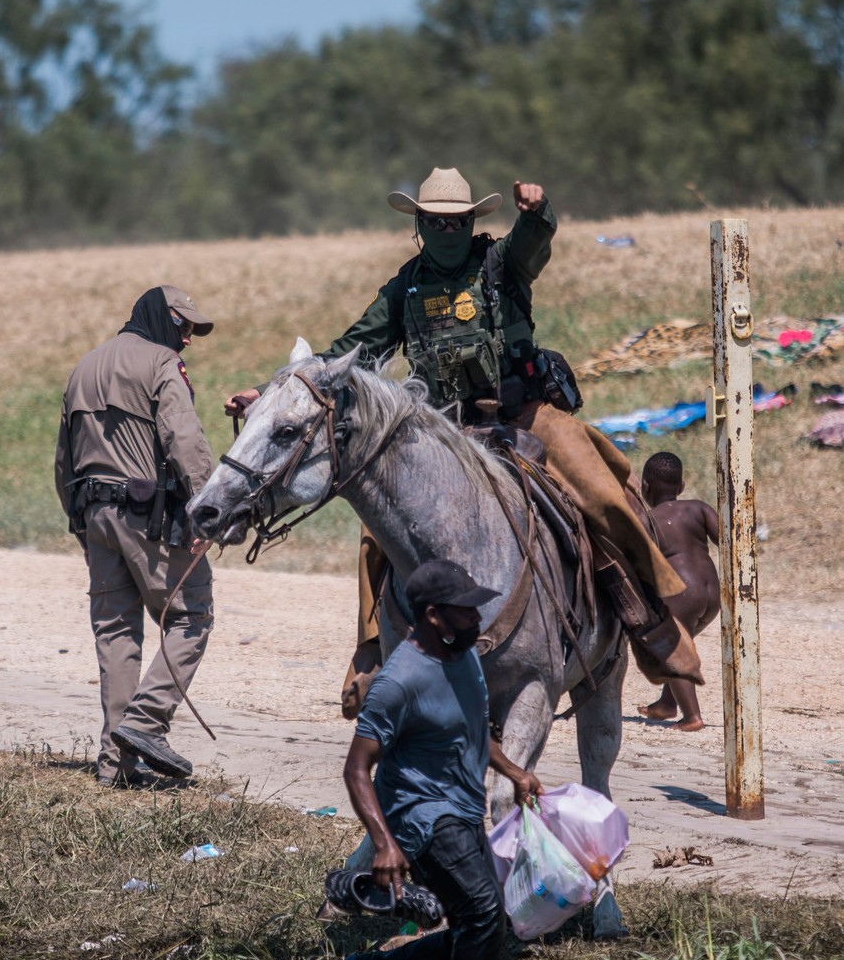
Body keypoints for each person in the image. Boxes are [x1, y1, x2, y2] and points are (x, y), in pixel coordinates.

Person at [224, 167, 701, 716]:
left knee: (600, 486)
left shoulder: (502, 261)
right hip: (440, 430)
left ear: (472, 221)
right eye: (435, 221)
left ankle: (647, 618)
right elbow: (351, 348)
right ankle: (373, 650)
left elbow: (534, 240)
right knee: (376, 525)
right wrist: (263, 394)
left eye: (457, 220)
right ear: (419, 225)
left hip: (524, 416)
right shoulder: (404, 287)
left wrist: (538, 210)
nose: (446, 229)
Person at [341, 559, 543, 960]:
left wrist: (513, 771)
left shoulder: (465, 656)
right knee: (480, 912)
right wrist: (384, 845)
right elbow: (357, 768)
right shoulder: (399, 681)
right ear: (433, 616)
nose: (479, 618)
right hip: (418, 817)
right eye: (466, 610)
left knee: (483, 928)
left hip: (462, 806)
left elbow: (472, 729)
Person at [55, 285, 216, 787]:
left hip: (94, 515)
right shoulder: (161, 363)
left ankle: (115, 768)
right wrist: (209, 509)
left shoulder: (84, 366)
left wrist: (80, 524)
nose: (188, 338)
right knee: (192, 615)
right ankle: (146, 724)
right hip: (147, 516)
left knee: (116, 634)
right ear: (162, 318)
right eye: (184, 326)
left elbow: (64, 461)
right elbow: (183, 438)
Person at [637, 452, 720, 731]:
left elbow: (643, 564)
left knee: (671, 650)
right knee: (682, 641)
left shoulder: (648, 521)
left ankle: (692, 717)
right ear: (681, 486)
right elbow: (728, 539)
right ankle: (666, 705)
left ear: (644, 487)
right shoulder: (698, 508)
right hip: (712, 593)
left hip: (682, 595)